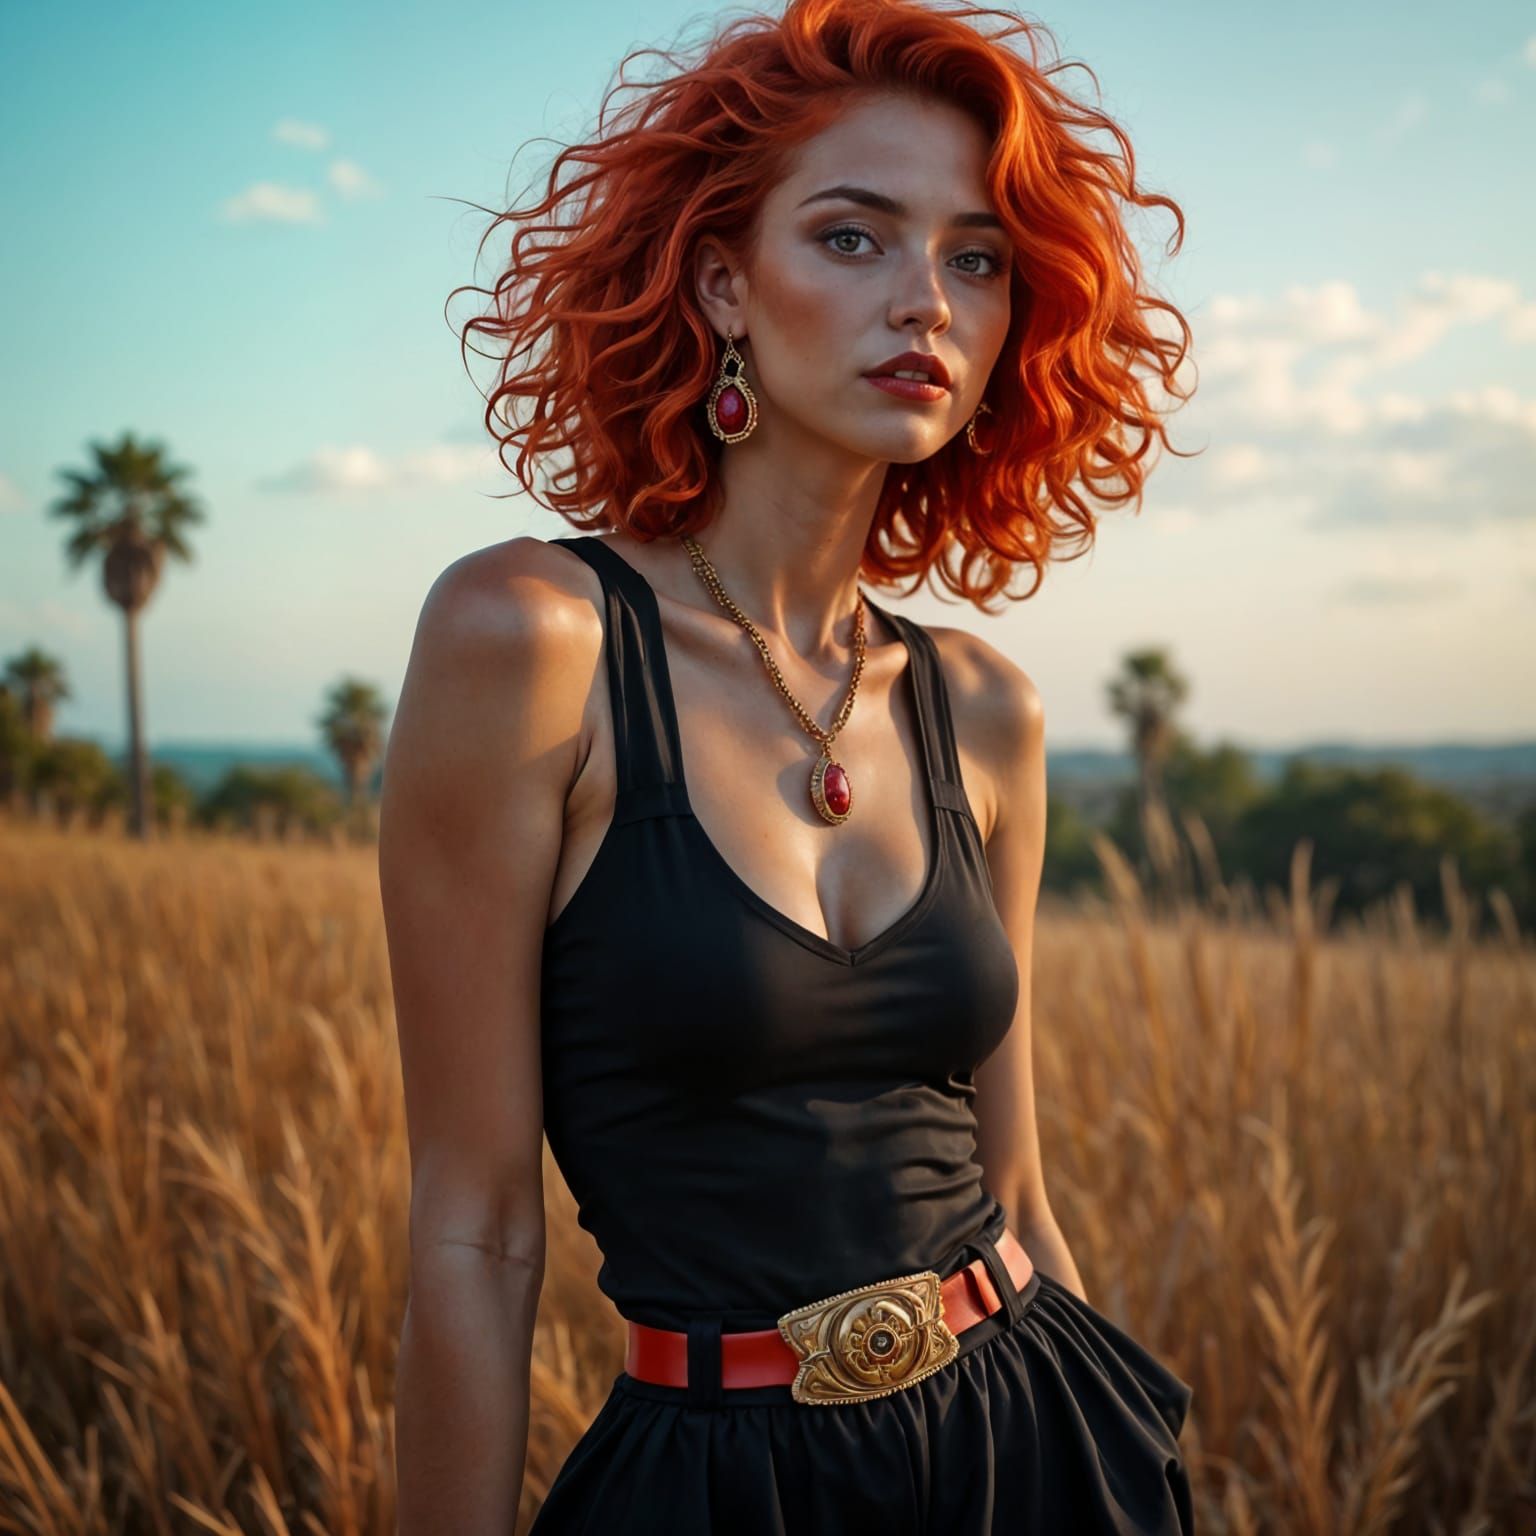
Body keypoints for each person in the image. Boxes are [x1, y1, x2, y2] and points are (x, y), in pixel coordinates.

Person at [379, 0, 1199, 1529]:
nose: (927, 304)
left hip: (1029, 1442)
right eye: (852, 239)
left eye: (975, 259)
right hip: (714, 1479)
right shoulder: (533, 638)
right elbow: (474, 1233)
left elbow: (1015, 1192)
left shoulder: (986, 709)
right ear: (717, 284)